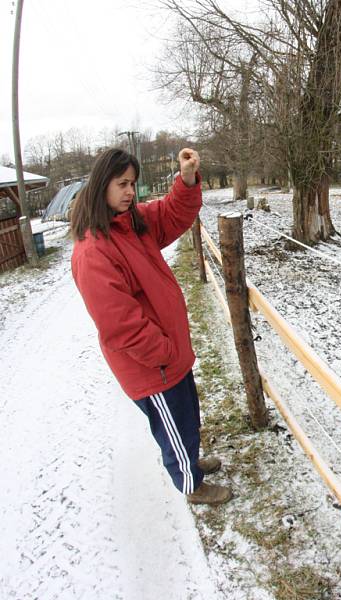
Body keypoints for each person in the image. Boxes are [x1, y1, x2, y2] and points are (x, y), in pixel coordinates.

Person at [70, 147, 232, 505]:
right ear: (101, 186)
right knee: (173, 429)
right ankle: (192, 486)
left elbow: (172, 214)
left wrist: (187, 179)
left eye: (133, 183)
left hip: (169, 358)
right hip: (153, 365)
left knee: (186, 420)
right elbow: (120, 324)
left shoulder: (131, 224)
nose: (130, 191)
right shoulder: (93, 250)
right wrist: (163, 353)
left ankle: (191, 463)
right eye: (122, 184)